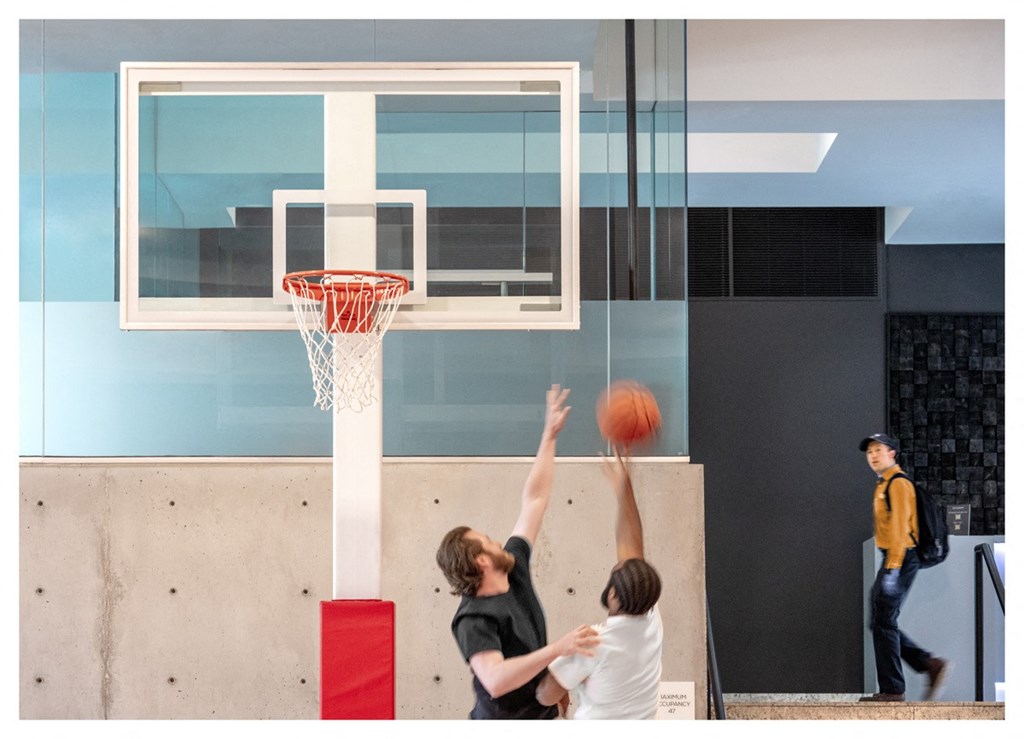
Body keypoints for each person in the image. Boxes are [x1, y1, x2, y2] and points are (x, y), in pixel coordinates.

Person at [435, 385, 600, 719]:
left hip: (542, 715)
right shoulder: (473, 618)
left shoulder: (513, 565)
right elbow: (495, 681)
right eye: (487, 540)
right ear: (481, 560)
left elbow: (535, 499)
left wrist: (549, 435)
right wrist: (558, 650)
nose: (498, 541)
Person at [534, 448, 664, 719]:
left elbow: (545, 695)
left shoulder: (592, 643)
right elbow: (633, 549)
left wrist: (560, 654)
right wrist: (624, 490)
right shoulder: (650, 619)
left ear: (614, 595)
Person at [859, 433, 951, 702]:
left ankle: (894, 689)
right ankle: (928, 665)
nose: (873, 455)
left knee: (883, 620)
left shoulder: (898, 484)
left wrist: (893, 569)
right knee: (880, 621)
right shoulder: (883, 484)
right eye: (870, 452)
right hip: (895, 558)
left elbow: (900, 529)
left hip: (900, 558)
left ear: (892, 454)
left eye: (879, 450)